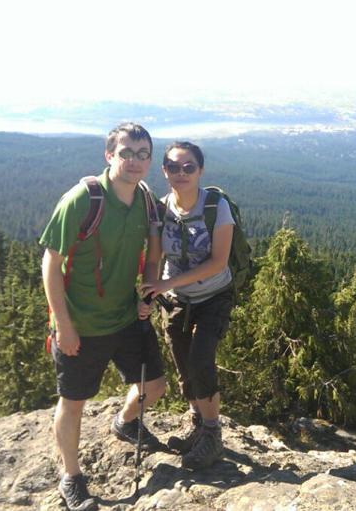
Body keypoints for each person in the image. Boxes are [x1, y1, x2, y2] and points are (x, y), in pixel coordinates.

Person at [40, 122, 167, 511]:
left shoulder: (145, 199)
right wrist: (64, 325)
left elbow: (154, 255)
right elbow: (50, 263)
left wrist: (147, 292)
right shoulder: (83, 199)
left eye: (143, 154)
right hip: (81, 323)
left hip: (126, 317)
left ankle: (126, 421)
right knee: (73, 402)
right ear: (109, 155)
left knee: (155, 386)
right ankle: (71, 476)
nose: (135, 161)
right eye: (126, 153)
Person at [139, 141, 234, 470]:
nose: (181, 173)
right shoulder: (160, 210)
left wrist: (166, 284)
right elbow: (154, 258)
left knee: (200, 360)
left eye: (189, 167)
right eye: (173, 167)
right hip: (176, 299)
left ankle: (213, 434)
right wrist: (149, 294)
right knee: (183, 364)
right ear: (164, 171)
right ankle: (197, 423)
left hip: (214, 296)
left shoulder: (216, 207)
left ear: (200, 170)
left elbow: (218, 262)